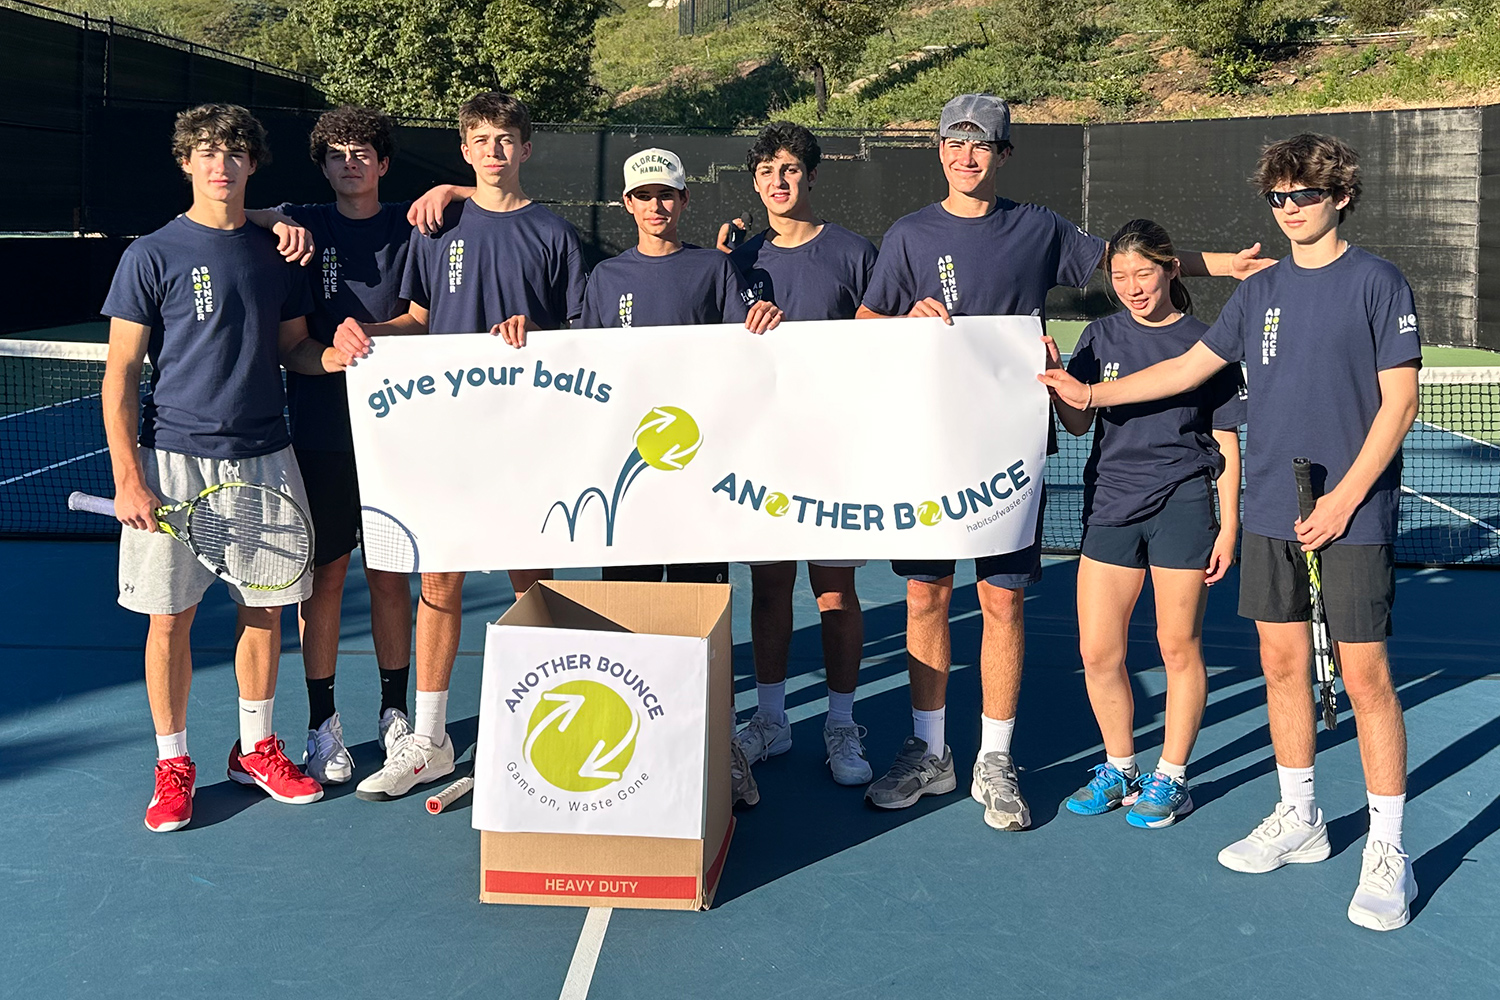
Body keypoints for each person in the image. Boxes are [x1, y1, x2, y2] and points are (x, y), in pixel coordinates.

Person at [856, 92, 1270, 831]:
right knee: (925, 599)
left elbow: (1132, 266)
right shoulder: (908, 235)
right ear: (939, 150)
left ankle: (994, 758)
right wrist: (900, 323)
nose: (966, 156)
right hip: (926, 450)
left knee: (1002, 601)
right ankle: (928, 751)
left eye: (981, 145)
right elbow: (865, 326)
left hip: (1008, 452)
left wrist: (1218, 265)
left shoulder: (1037, 227)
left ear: (1003, 155)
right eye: (954, 143)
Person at [1040, 133, 1421, 930]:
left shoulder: (1379, 282)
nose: (1290, 210)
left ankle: (1388, 849)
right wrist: (1083, 392)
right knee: (1282, 666)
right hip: (1275, 516)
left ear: (1340, 195)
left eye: (1304, 195)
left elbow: (1400, 405)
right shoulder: (1259, 293)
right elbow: (1183, 372)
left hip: (1349, 511)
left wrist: (1348, 497)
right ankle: (1301, 816)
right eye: (1278, 197)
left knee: (1366, 682)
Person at [101, 103, 349, 832]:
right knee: (169, 620)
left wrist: (330, 359)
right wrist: (128, 476)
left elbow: (293, 349)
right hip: (171, 458)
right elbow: (119, 376)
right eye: (207, 151)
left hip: (265, 458)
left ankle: (256, 747)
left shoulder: (279, 251)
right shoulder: (149, 255)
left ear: (251, 163)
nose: (221, 163)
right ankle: (174, 763)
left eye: (235, 152)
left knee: (265, 612)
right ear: (186, 161)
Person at [334, 91, 586, 802]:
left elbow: (580, 340)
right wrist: (366, 336)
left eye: (506, 139)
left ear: (525, 149)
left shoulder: (554, 234)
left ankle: (546, 723)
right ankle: (433, 739)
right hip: (446, 437)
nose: (494, 151)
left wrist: (537, 338)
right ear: (465, 150)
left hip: (527, 442)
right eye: (481, 139)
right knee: (438, 584)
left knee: (531, 585)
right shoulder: (436, 227)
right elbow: (418, 317)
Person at [238, 106, 474, 785]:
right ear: (323, 166)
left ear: (384, 162)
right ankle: (322, 725)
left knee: (391, 574)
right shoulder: (301, 223)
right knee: (328, 578)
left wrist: (453, 190)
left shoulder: (415, 223)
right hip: (322, 432)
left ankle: (395, 715)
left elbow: (423, 319)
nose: (351, 162)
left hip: (407, 432)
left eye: (363, 151)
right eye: (337, 153)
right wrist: (332, 356)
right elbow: (292, 347)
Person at [567, 145, 783, 808]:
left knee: (700, 620)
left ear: (684, 202)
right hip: (629, 492)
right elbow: (586, 375)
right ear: (626, 205)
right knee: (630, 616)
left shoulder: (714, 269)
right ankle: (631, 747)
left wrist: (759, 328)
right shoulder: (604, 281)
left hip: (696, 485)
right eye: (644, 196)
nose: (656, 206)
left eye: (668, 195)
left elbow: (734, 360)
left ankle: (719, 752)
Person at [1048, 219, 1244, 829]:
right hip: (1110, 503)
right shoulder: (1099, 335)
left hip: (1182, 505)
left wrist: (1228, 525)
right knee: (1098, 651)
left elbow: (1226, 441)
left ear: (1170, 270)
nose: (1133, 286)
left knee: (1176, 646)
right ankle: (1120, 766)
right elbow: (1080, 425)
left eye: (1144, 273)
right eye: (1121, 275)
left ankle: (1172, 777)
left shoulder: (1206, 342)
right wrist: (1063, 386)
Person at [715, 122, 878, 787]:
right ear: (753, 182)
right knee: (770, 582)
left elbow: (883, 346)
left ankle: (841, 722)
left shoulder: (854, 253)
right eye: (765, 172)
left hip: (835, 450)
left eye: (788, 169)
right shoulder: (737, 261)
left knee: (835, 589)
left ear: (809, 176)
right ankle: (772, 719)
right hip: (764, 451)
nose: (777, 182)